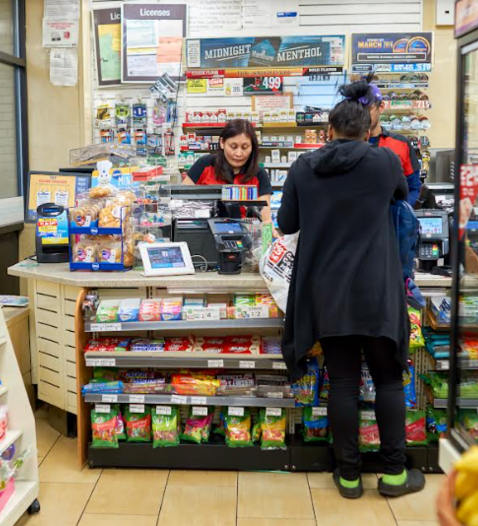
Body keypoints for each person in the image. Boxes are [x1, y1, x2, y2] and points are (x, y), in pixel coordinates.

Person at [277, 78, 425, 499]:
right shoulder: (384, 161)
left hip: (327, 290)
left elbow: (287, 223)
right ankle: (393, 475)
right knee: (388, 379)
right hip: (377, 287)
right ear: (366, 129)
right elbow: (402, 196)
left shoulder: (303, 167)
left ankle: (348, 476)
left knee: (341, 382)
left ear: (328, 130)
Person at [182, 119, 273, 225]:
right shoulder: (204, 165)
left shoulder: (259, 175)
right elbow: (182, 200)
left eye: (245, 147)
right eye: (233, 147)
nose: (239, 153)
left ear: (252, 147)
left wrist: (268, 229)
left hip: (246, 233)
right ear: (222, 143)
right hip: (205, 231)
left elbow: (265, 220)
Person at [363, 77, 423, 207]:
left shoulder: (401, 144)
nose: (362, 115)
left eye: (368, 108)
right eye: (358, 109)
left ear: (381, 107)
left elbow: (414, 188)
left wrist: (399, 211)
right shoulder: (348, 146)